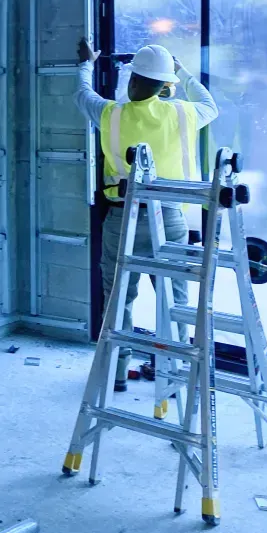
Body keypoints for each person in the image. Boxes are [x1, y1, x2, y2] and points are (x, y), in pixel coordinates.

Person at [75, 39, 218, 391]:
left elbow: (81, 94)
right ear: (165, 85)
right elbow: (209, 104)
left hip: (122, 219)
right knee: (174, 296)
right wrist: (181, 71)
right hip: (168, 218)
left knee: (118, 295)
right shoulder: (184, 113)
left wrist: (88, 63)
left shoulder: (112, 114)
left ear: (133, 80)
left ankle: (118, 372)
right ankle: (173, 373)